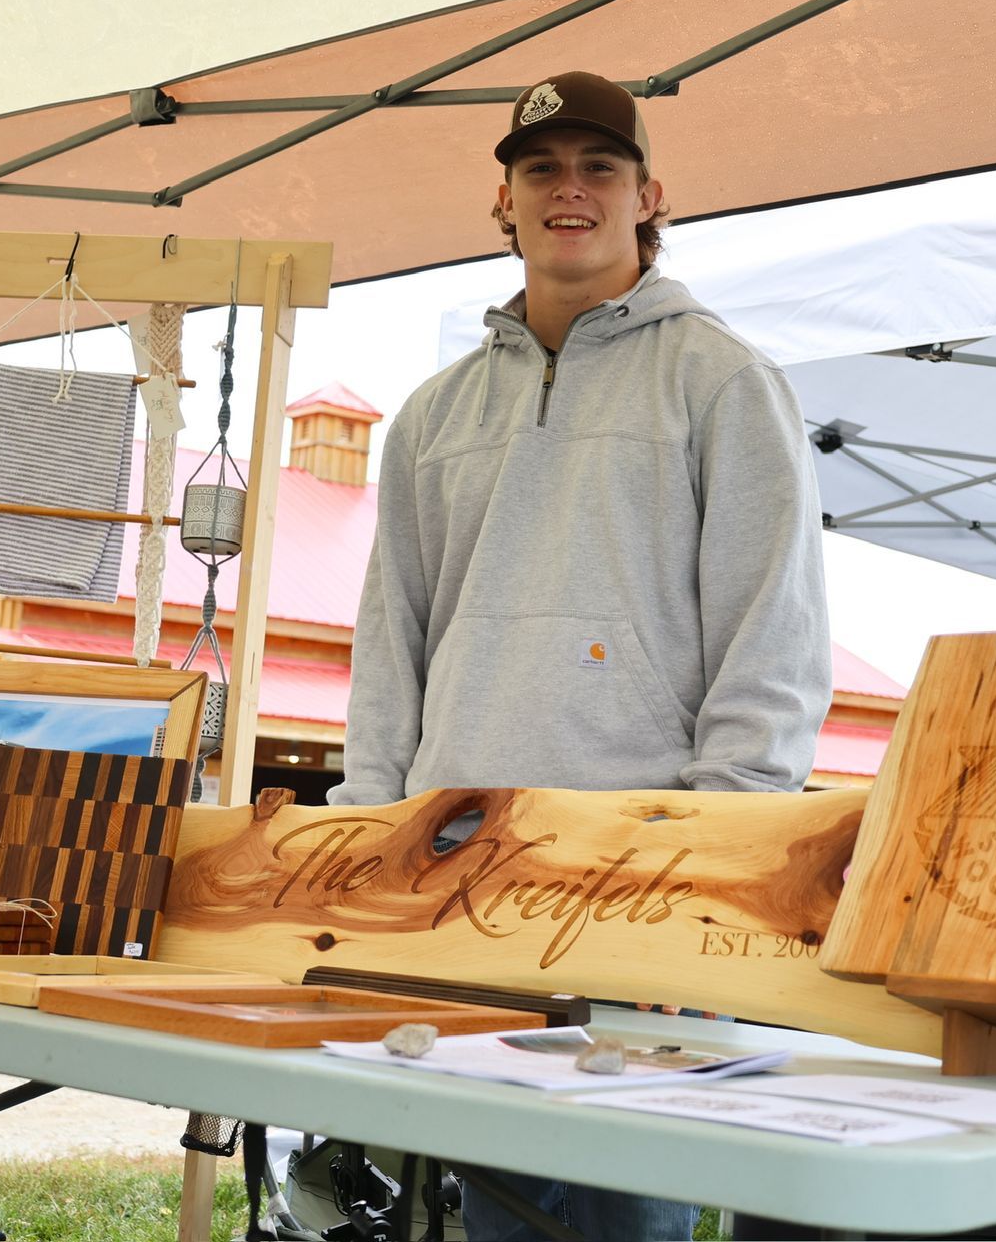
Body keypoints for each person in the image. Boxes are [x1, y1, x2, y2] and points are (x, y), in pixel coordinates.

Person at [331, 71, 831, 1241]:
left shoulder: (727, 382)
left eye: (599, 166)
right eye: (541, 168)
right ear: (498, 201)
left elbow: (773, 646)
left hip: (636, 886)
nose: (570, 189)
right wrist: (364, 849)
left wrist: (702, 897)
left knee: (615, 1215)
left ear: (649, 194)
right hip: (452, 871)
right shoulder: (431, 415)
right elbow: (389, 649)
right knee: (472, 1204)